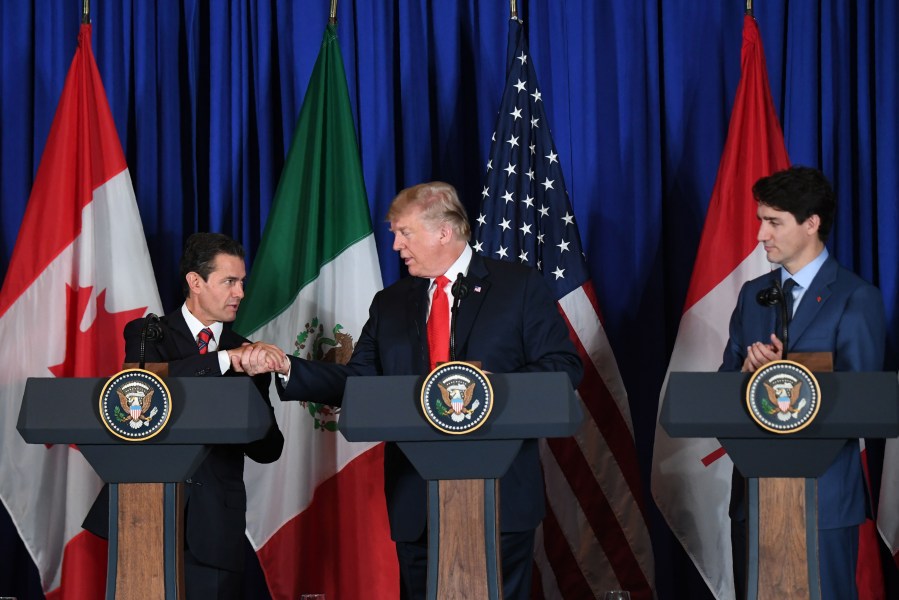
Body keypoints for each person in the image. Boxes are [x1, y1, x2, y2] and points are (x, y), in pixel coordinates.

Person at [240, 182, 583, 600]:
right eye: (394, 234)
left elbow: (563, 368)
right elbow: (359, 383)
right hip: (416, 500)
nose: (397, 245)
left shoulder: (518, 287)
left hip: (500, 497)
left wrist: (485, 387)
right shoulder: (391, 302)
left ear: (444, 231)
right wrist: (289, 367)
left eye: (405, 232)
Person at [83, 232, 286, 599]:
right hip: (145, 515)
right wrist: (225, 361)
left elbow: (269, 448)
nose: (240, 293)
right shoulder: (148, 334)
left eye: (242, 282)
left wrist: (252, 387)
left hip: (216, 527)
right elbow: (147, 389)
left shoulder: (247, 352)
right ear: (195, 281)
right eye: (229, 281)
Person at [720, 166, 886, 600]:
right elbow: (721, 389)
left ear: (811, 223)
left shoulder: (855, 297)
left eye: (773, 221)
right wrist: (746, 375)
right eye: (761, 220)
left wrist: (786, 373)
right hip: (755, 497)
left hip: (824, 500)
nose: (761, 235)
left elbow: (863, 402)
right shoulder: (753, 295)